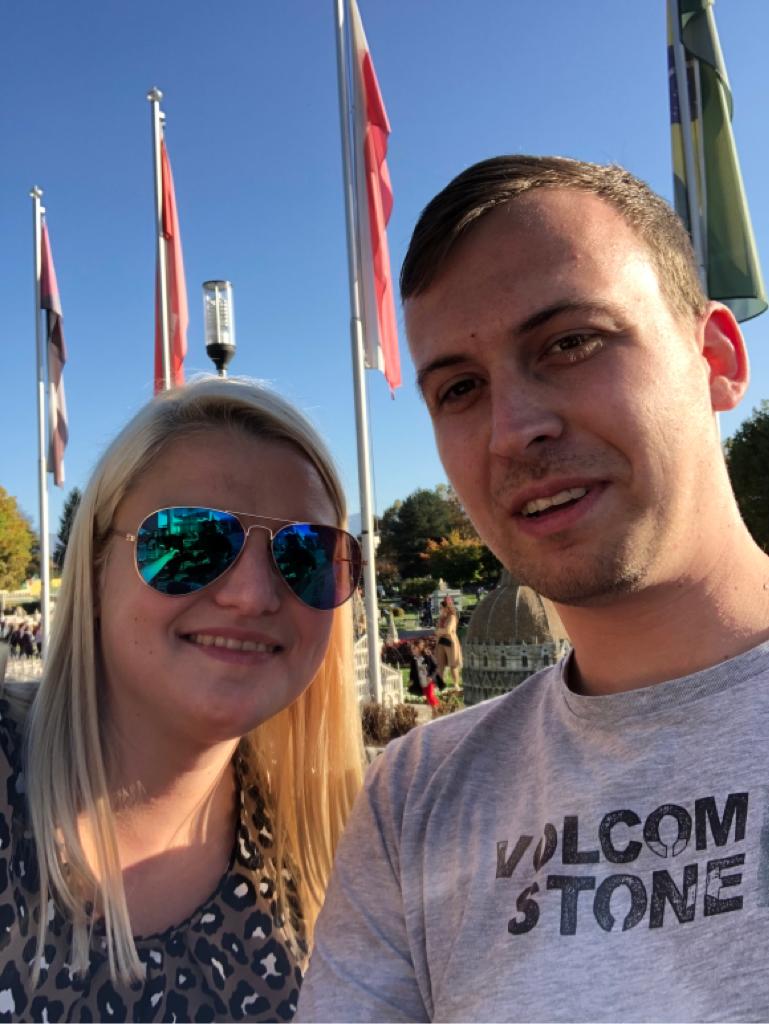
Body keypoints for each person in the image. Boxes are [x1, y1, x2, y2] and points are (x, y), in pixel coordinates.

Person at [298, 156, 769, 1022]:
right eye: (459, 389)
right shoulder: (416, 798)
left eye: (570, 342)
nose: (512, 431)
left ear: (715, 357)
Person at [0, 376, 363, 1021]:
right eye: (189, 540)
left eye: (306, 554)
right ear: (96, 568)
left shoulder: (337, 845)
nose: (253, 595)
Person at [433, 595, 462, 688]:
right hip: (441, 642)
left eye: (441, 607)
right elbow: (436, 630)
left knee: (453, 664)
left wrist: (439, 631)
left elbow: (448, 630)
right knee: (440, 664)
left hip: (450, 642)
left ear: (447, 608)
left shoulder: (452, 617)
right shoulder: (441, 618)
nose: (440, 609)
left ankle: (456, 684)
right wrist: (440, 630)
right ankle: (440, 684)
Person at [407, 637, 440, 709]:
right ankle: (437, 710)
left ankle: (438, 710)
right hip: (421, 681)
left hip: (429, 680)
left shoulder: (427, 656)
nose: (412, 650)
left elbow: (436, 667)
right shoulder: (413, 659)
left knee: (430, 696)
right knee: (428, 696)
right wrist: (411, 680)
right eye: (411, 648)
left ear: (419, 648)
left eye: (414, 648)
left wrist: (431, 677)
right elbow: (412, 671)